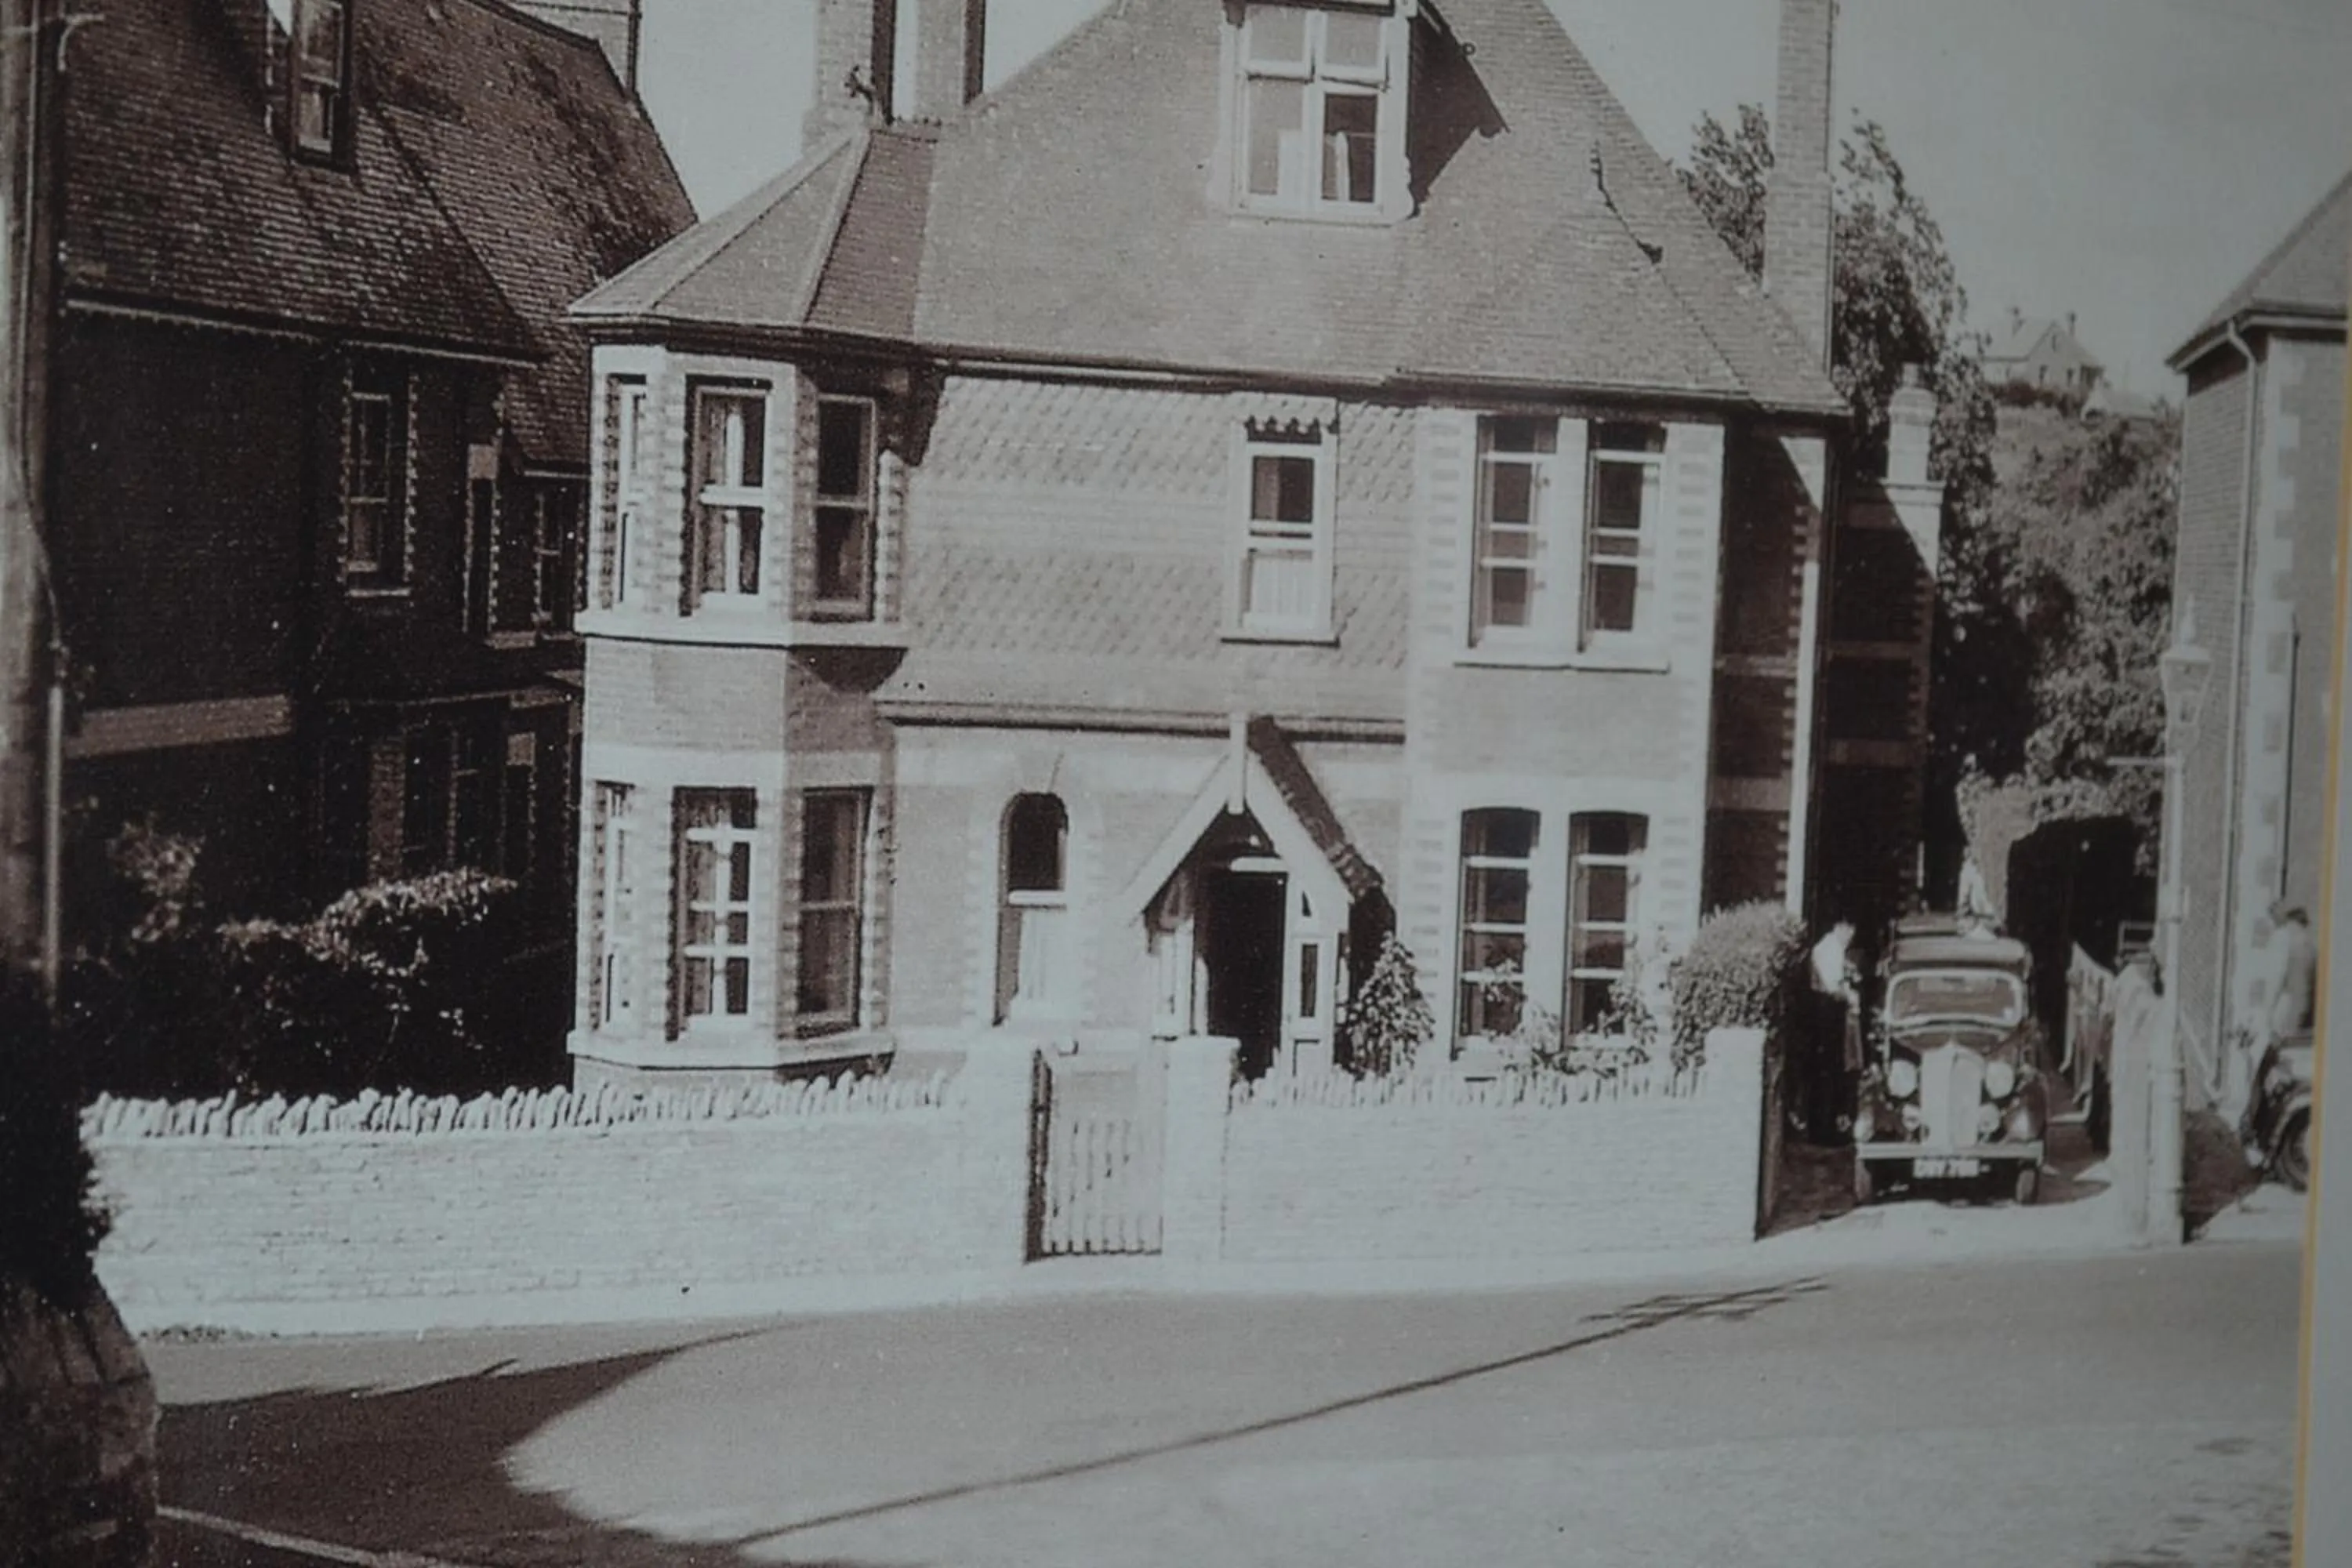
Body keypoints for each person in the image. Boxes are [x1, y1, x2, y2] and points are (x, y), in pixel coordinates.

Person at [2268, 902, 2317, 1042]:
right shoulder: (2308, 943)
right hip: (2305, 1014)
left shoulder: (2286, 939)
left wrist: (2269, 1012)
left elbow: (2278, 979)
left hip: (2289, 1012)